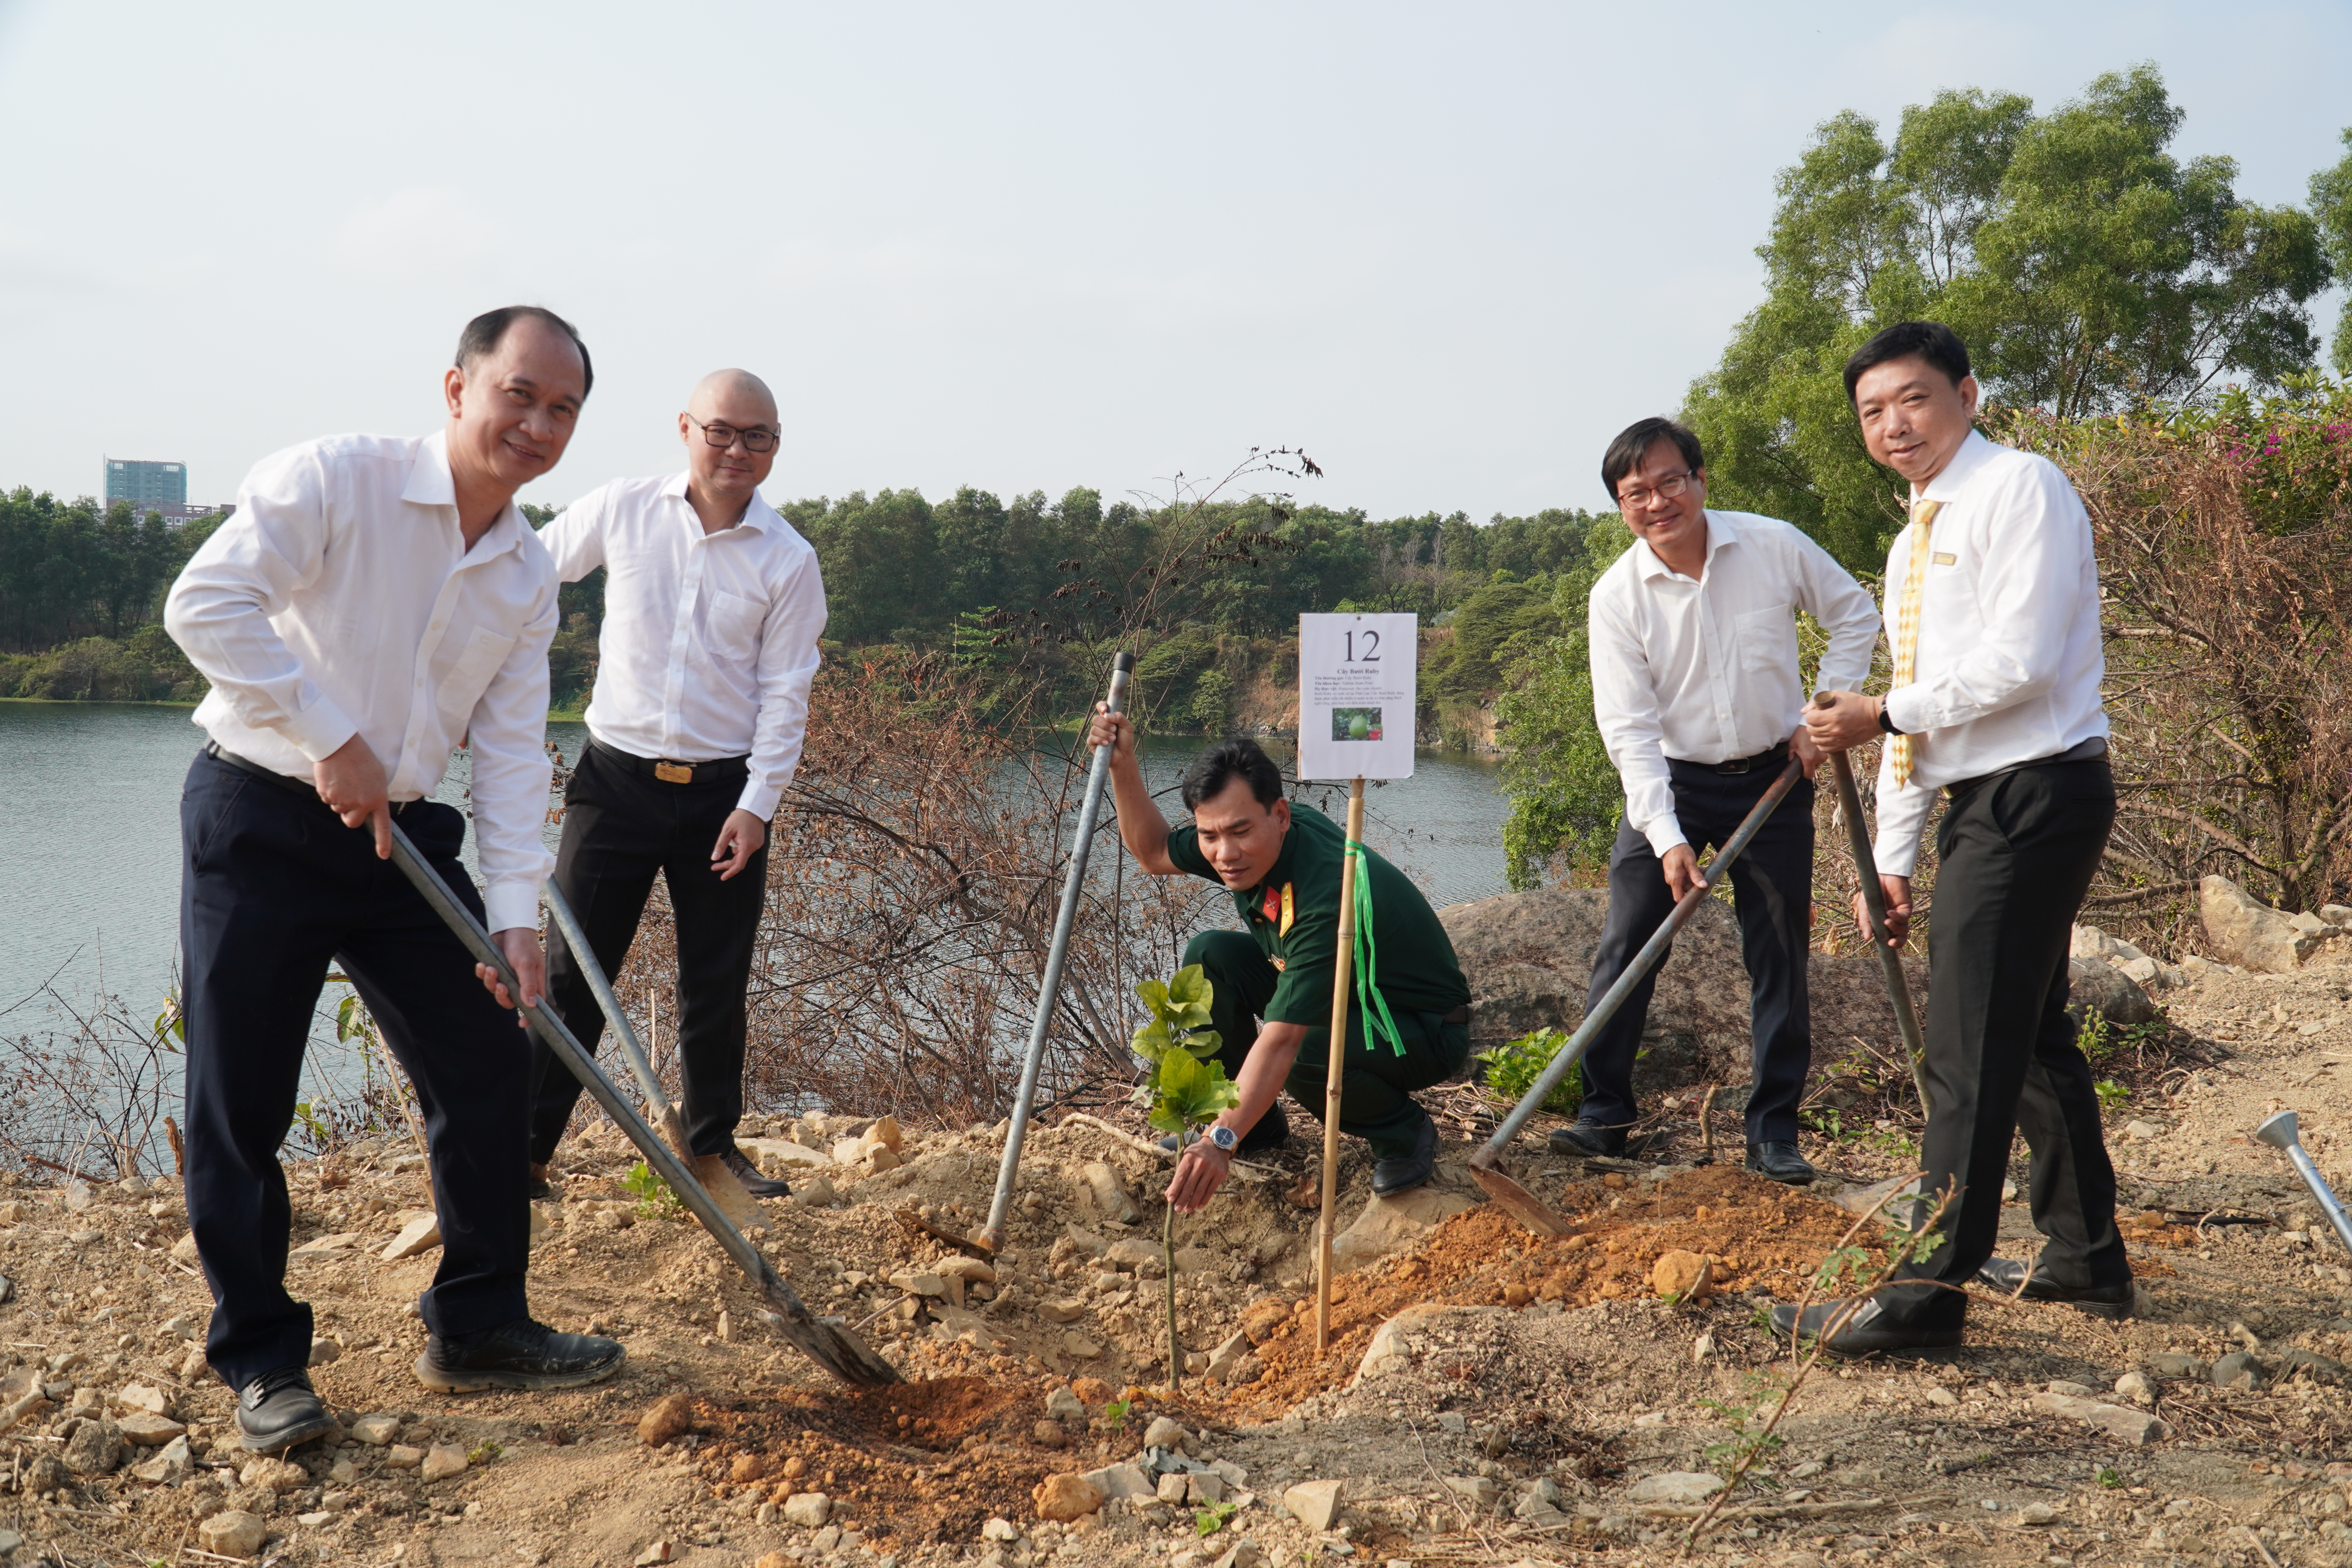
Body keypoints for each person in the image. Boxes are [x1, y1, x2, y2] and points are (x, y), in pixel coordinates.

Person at [165, 306, 626, 1454]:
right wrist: (329, 730)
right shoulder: (339, 478)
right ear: (459, 387)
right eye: (519, 392)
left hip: (404, 840)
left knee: (485, 1058)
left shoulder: (526, 568)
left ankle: (476, 1322)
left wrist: (516, 922)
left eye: (562, 408)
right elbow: (202, 604)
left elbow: (515, 752)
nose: (537, 422)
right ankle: (264, 1360)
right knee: (243, 1100)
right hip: (262, 811)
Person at [1792, 320, 2126, 1354]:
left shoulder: (2020, 488)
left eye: (1914, 400)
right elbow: (1920, 724)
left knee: (1969, 1050)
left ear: (1968, 396)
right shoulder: (1911, 540)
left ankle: (1925, 1297)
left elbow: (2020, 663)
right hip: (1987, 801)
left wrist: (1881, 712)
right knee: (2027, 1037)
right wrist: (1891, 858)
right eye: (1872, 412)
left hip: (2039, 790)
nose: (1894, 425)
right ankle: (2085, 1259)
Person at [1553, 417, 1879, 1183]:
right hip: (1673, 779)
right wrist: (1666, 836)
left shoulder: (1770, 544)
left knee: (1779, 955)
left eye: (1671, 481)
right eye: (1636, 493)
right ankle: (1604, 1115)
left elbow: (1854, 613)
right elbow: (1627, 728)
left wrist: (1818, 723)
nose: (1657, 501)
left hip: (1775, 774)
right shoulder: (1618, 597)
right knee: (1631, 938)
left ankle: (1772, 1131)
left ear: (1700, 479)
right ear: (1622, 508)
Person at [525, 370, 826, 1200]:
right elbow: (526, 572)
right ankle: (523, 1150)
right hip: (614, 779)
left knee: (716, 977)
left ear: (775, 446)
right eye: (721, 430)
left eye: (757, 435)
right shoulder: (623, 507)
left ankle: (709, 1147)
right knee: (571, 971)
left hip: (722, 795)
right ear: (686, 427)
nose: (737, 449)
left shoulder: (789, 560)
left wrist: (757, 805)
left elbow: (785, 692)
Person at [1084, 724, 1473, 1208]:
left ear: (1281, 816)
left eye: (1240, 831)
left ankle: (1403, 1131)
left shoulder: (1326, 893)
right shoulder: (1251, 850)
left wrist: (1218, 1141)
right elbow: (1155, 851)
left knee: (1309, 1044)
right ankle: (1258, 1125)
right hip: (1349, 998)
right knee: (1210, 958)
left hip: (1418, 1028)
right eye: (1210, 835)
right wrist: (1123, 766)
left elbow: (1284, 1037)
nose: (1225, 853)